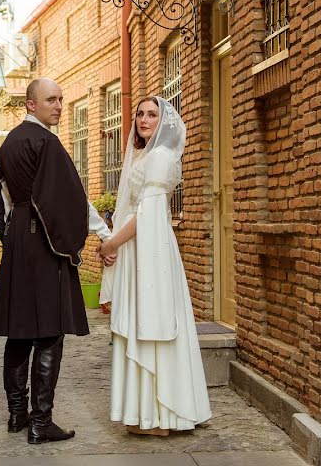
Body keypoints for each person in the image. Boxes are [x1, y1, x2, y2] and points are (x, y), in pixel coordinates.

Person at [0, 78, 114, 444]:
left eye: (61, 99)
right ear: (30, 104)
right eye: (51, 100)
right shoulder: (47, 142)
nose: (58, 106)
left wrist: (10, 236)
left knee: (19, 329)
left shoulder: (10, 141)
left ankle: (17, 416)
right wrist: (104, 235)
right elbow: (69, 201)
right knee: (49, 332)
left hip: (18, 241)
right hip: (43, 243)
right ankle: (40, 424)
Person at [98, 96, 211, 436]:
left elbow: (146, 213)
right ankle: (151, 412)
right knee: (143, 319)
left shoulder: (161, 157)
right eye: (140, 114)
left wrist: (112, 242)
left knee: (154, 320)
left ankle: (160, 414)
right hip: (138, 250)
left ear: (164, 121)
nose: (144, 120)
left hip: (151, 252)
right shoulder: (144, 154)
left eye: (152, 114)